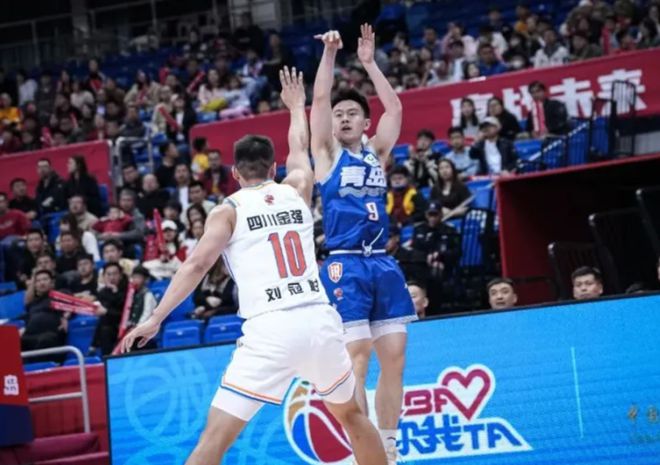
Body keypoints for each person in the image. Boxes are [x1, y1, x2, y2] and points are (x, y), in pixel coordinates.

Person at [123, 67, 387, 465]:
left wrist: (156, 318)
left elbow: (196, 265)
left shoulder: (227, 210)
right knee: (352, 416)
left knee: (214, 440)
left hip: (270, 329)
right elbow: (300, 146)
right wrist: (295, 106)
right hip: (318, 319)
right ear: (273, 168)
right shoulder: (296, 188)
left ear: (234, 173)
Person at [310, 26, 416, 464]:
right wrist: (330, 55)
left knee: (395, 356)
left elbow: (396, 108)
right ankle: (364, 450)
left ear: (365, 123)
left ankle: (387, 447)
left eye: (353, 113)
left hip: (382, 263)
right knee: (357, 358)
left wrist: (370, 63)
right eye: (340, 114)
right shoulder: (326, 154)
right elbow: (319, 100)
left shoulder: (378, 152)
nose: (344, 118)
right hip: (345, 264)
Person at [21, 270, 67, 352]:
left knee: (45, 340)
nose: (42, 283)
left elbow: (73, 304)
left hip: (50, 335)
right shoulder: (32, 304)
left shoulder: (60, 295)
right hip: (31, 336)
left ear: (52, 283)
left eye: (45, 279)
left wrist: (66, 316)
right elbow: (27, 301)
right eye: (38, 281)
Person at [91, 262, 128, 355]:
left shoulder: (128, 291)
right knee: (104, 327)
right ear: (103, 277)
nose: (112, 277)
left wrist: (115, 292)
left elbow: (124, 314)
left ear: (120, 275)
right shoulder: (102, 293)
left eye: (115, 274)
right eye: (108, 274)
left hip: (124, 327)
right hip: (107, 329)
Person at [191, 256, 238, 320]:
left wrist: (215, 312)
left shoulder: (233, 281)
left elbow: (234, 305)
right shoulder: (205, 278)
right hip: (203, 313)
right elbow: (197, 297)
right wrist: (206, 302)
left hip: (226, 317)